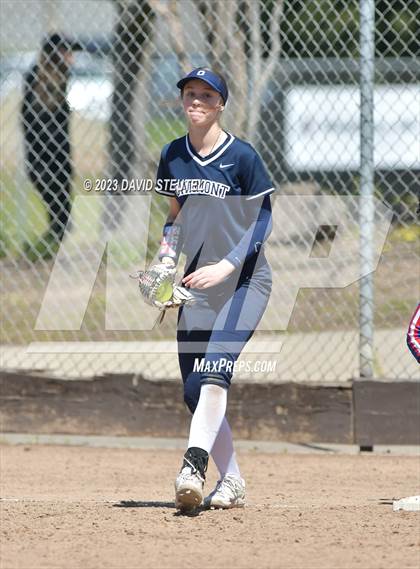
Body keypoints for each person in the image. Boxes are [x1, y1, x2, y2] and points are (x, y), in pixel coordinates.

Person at [154, 68, 275, 511]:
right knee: (193, 389)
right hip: (197, 285)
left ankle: (193, 466)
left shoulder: (241, 156)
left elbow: (263, 220)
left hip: (245, 279)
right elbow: (175, 217)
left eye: (207, 94)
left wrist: (227, 265)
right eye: (190, 92)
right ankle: (234, 480)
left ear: (221, 103)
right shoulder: (172, 155)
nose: (197, 100)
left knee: (215, 368)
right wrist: (166, 263)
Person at [21, 33, 78, 261]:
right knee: (49, 190)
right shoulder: (36, 75)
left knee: (61, 194)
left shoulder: (63, 75)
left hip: (59, 148)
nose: (71, 56)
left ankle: (61, 237)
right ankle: (58, 235)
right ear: (54, 54)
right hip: (39, 147)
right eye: (66, 51)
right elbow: (28, 116)